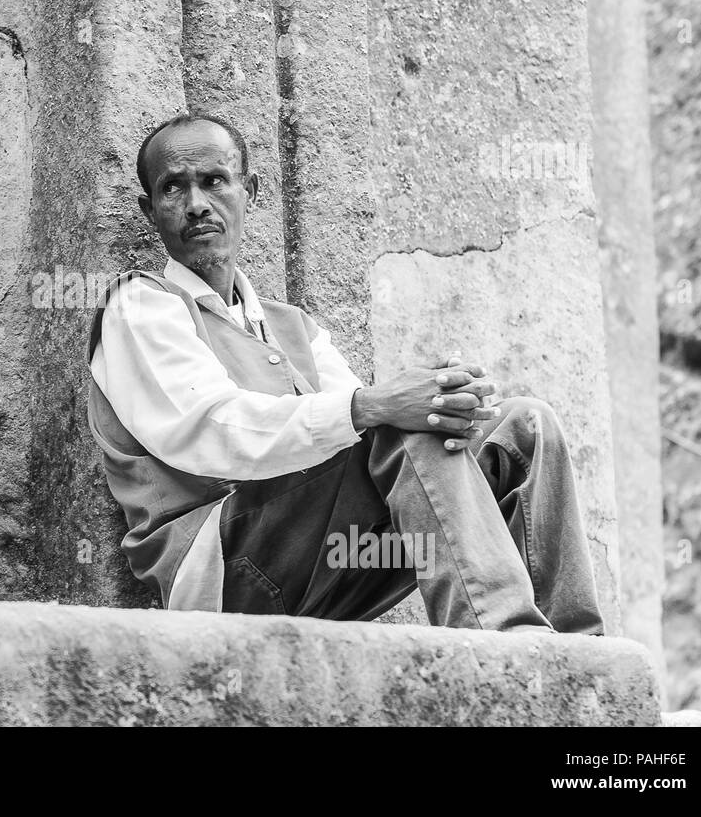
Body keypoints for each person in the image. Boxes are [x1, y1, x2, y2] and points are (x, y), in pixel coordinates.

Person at [85, 112, 604, 634]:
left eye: (215, 181)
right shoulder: (139, 305)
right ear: (149, 210)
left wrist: (444, 406)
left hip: (329, 558)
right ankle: (507, 644)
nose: (196, 204)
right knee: (400, 424)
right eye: (173, 188)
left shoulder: (293, 326)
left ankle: (584, 657)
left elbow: (364, 436)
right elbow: (212, 431)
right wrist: (379, 406)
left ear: (250, 191)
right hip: (221, 569)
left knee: (526, 427)